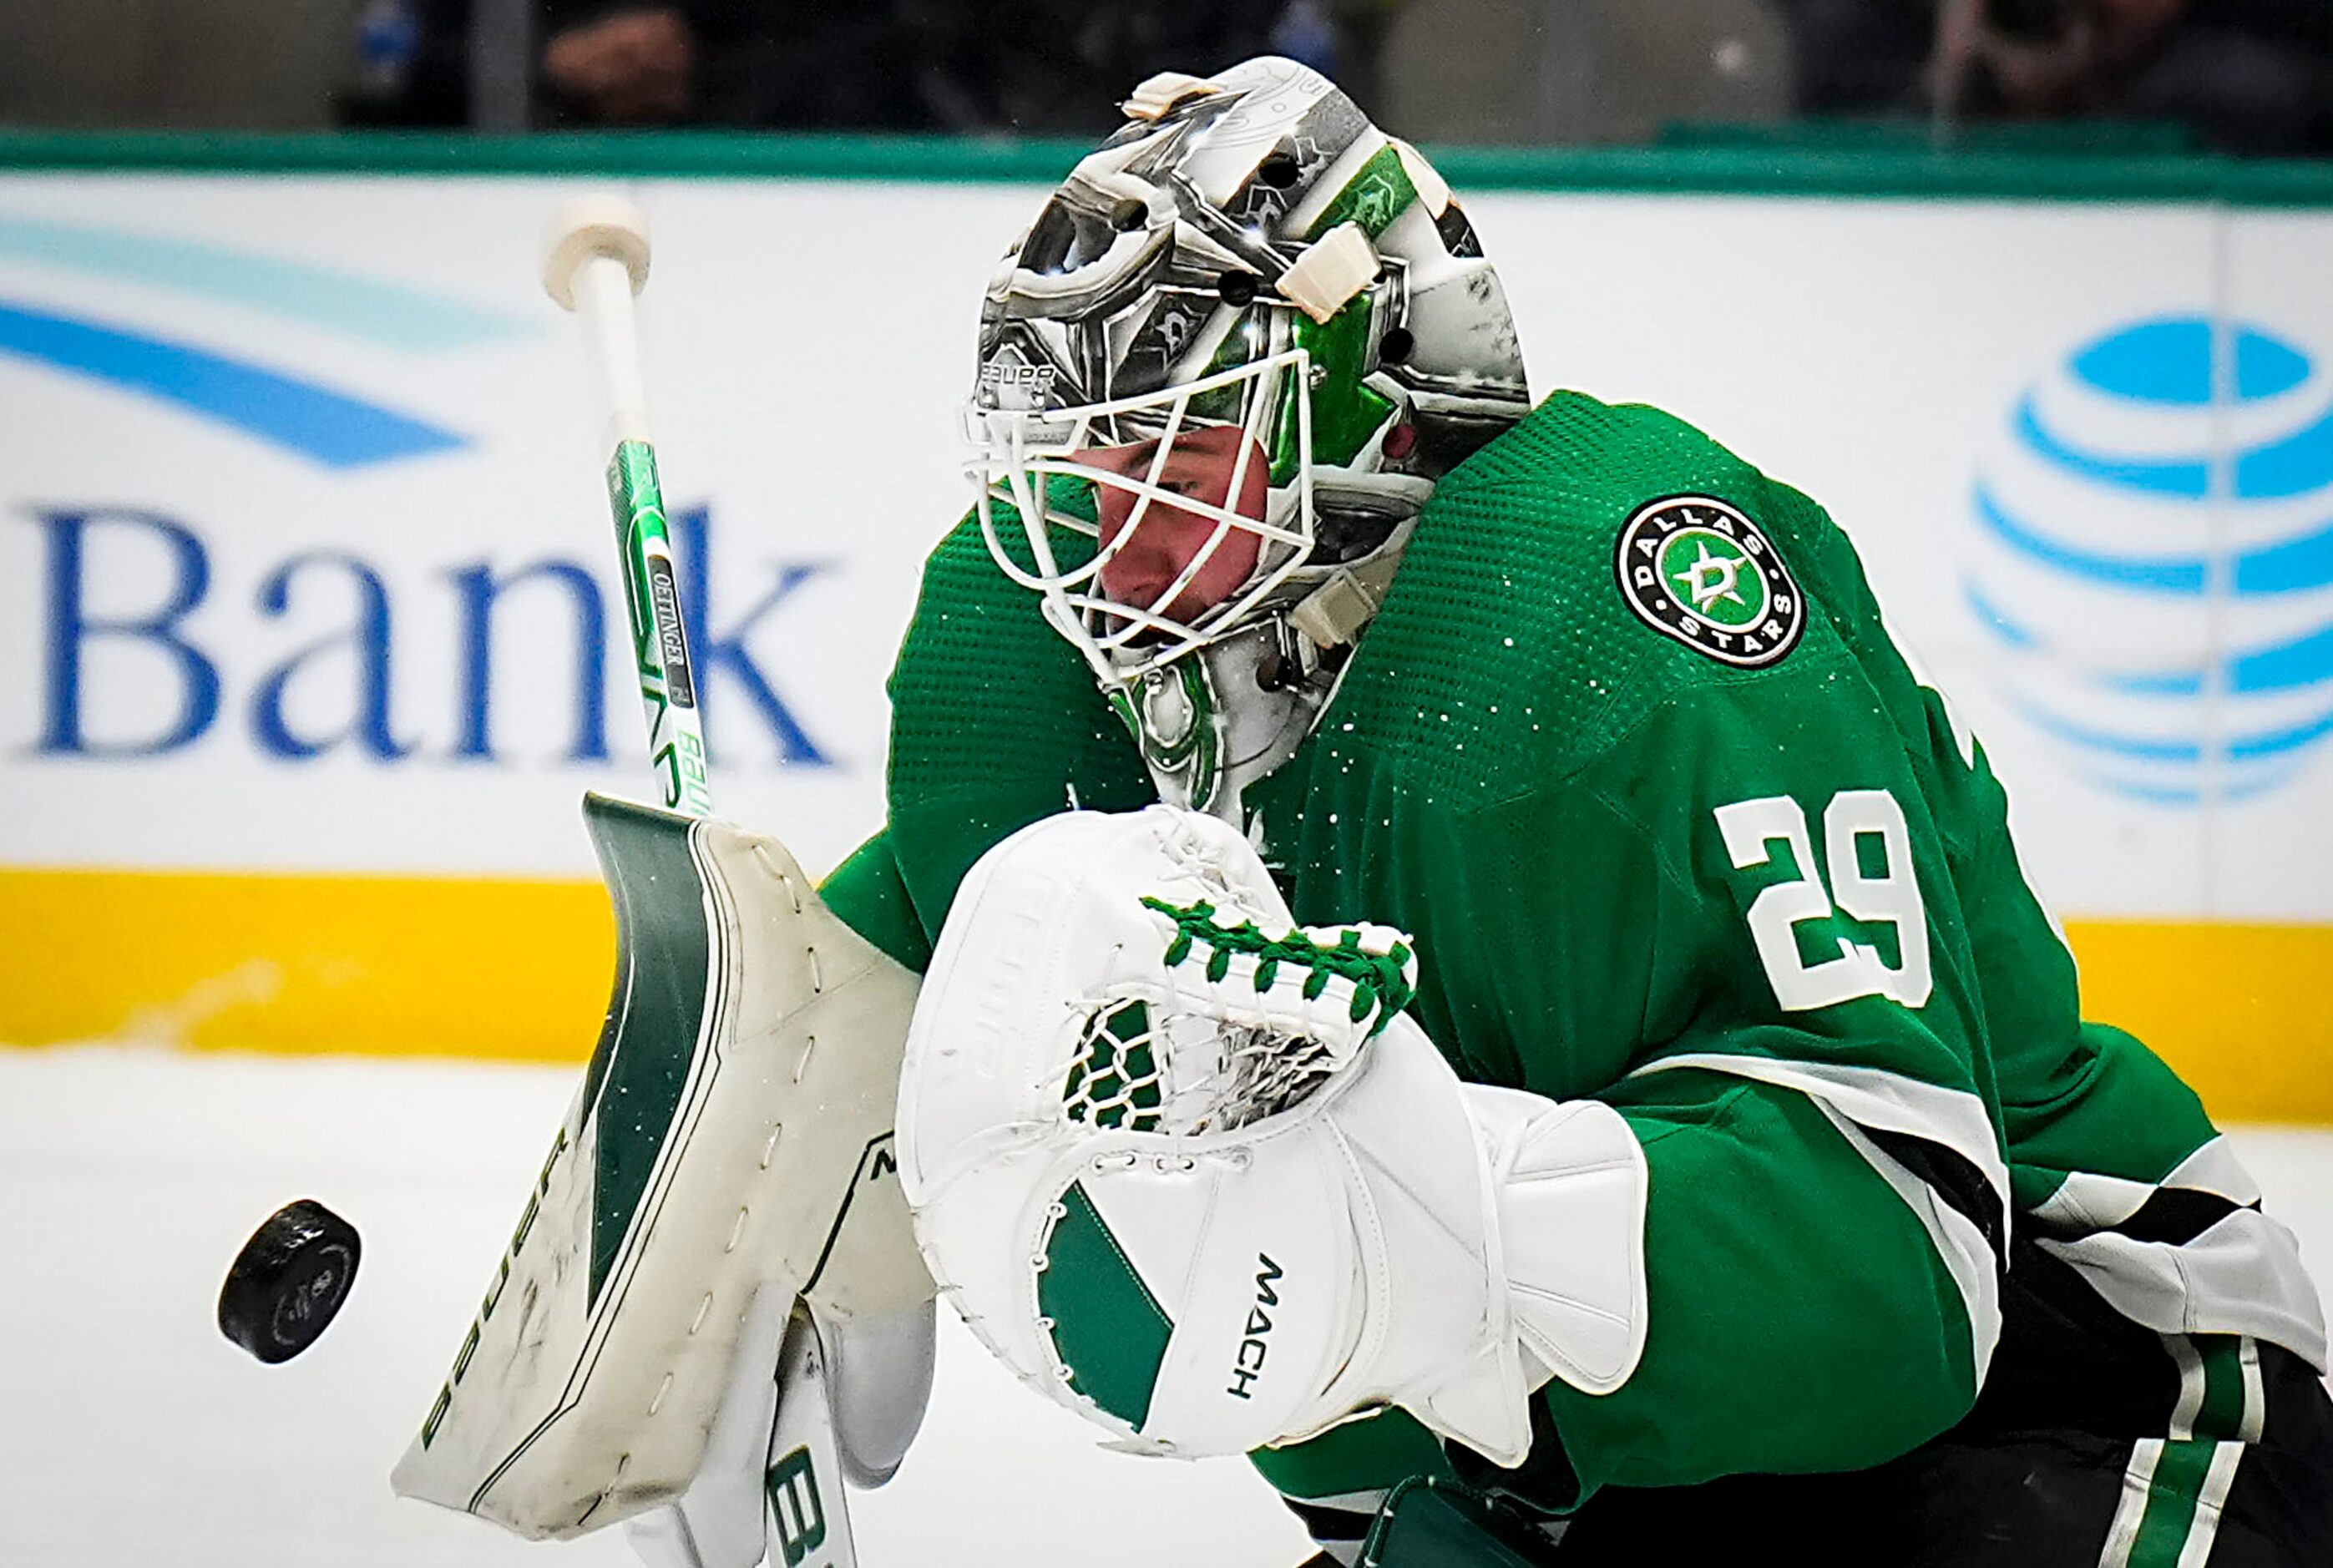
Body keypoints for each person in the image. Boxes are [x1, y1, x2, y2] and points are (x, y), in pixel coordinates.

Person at [820, 55, 2333, 1565]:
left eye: (1179, 442)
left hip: (2068, 1395)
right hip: (1574, 1490)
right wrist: (764, 1124)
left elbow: (1906, 1261)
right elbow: (924, 961)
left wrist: (1442, 1223)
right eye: (1087, 453)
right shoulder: (1054, 661)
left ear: (1365, 399)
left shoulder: (1608, 617)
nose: (1108, 523)